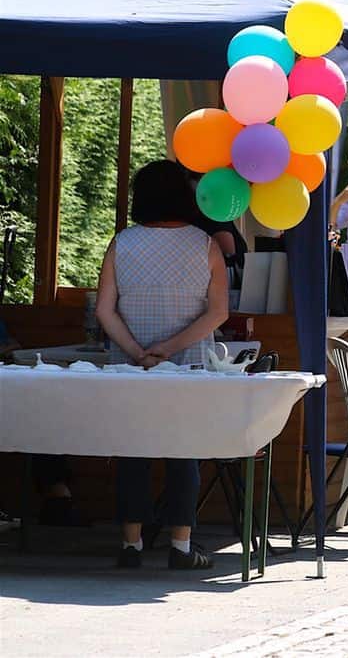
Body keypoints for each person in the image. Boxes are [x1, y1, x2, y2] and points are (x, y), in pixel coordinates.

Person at [95, 160, 229, 569]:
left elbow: (104, 310)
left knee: (133, 448)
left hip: (130, 367)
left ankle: (131, 545)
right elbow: (217, 313)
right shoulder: (205, 245)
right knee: (182, 450)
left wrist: (138, 351)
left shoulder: (122, 243)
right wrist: (169, 348)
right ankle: (181, 546)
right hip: (187, 365)